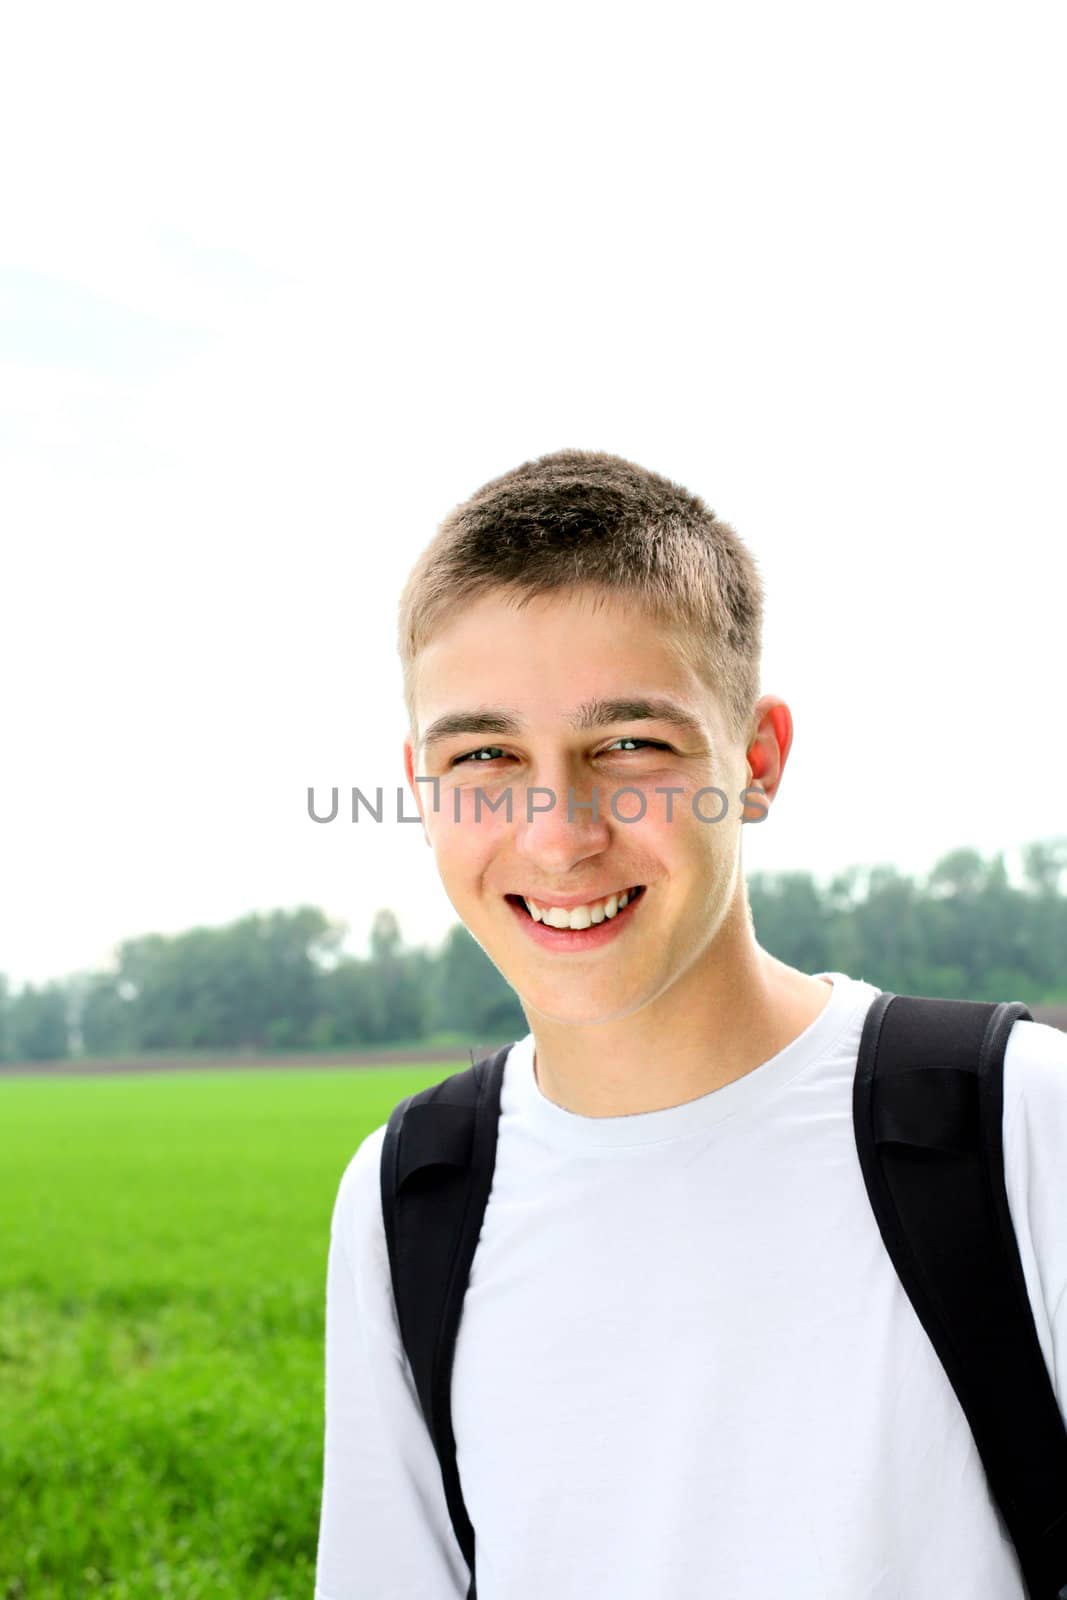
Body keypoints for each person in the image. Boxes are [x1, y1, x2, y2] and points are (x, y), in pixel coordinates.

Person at [313, 448, 1067, 1599]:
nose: (557, 833)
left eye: (628, 746)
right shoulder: (408, 1195)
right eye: (484, 755)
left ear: (754, 760)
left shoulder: (1015, 1119)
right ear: (420, 788)